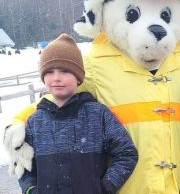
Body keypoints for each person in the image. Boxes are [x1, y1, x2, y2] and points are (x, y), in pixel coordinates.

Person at [18, 33, 138, 194]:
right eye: (50, 71)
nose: (56, 78)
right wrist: (30, 189)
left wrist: (106, 186)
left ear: (78, 77)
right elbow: (22, 163)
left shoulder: (98, 115)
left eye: (64, 71)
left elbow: (127, 154)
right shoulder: (34, 121)